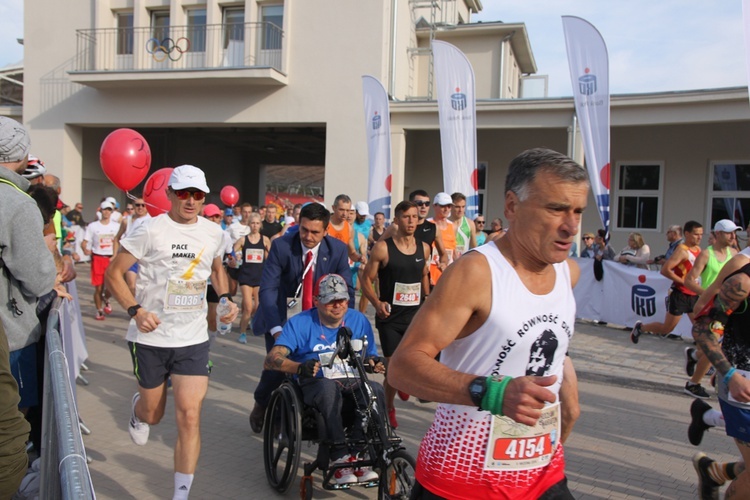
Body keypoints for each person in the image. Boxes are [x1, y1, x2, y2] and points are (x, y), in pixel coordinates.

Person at [389, 148, 584, 499]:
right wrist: (493, 392)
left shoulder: (568, 272)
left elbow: (551, 343)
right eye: (555, 208)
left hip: (545, 478)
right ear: (512, 206)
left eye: (577, 211)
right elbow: (402, 368)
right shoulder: (477, 272)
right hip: (463, 480)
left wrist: (569, 401)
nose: (570, 226)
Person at [105, 165, 239, 500]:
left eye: (198, 194)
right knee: (154, 412)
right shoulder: (148, 229)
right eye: (184, 193)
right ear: (169, 195)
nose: (191, 200)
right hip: (150, 337)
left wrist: (225, 299)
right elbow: (113, 273)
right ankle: (140, 411)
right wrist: (135, 311)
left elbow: (216, 269)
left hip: (192, 339)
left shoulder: (213, 232)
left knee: (190, 416)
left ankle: (180, 495)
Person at [263, 273, 386, 485]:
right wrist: (299, 367)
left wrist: (374, 362)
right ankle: (339, 456)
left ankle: (358, 454)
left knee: (376, 390)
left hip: (351, 379)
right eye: (331, 301)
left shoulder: (358, 321)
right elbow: (271, 360)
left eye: (342, 300)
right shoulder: (300, 323)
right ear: (317, 301)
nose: (337, 306)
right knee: (328, 389)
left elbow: (368, 357)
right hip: (315, 381)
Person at [249, 202, 354, 433]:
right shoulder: (282, 246)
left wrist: (346, 325)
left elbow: (348, 289)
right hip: (282, 318)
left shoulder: (336, 250)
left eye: (315, 232)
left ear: (326, 231)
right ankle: (262, 403)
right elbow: (268, 290)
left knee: (322, 368)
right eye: (304, 229)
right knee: (278, 368)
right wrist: (277, 330)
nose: (308, 236)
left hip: (319, 320)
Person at [361, 200, 430, 428]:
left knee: (410, 364)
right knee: (392, 369)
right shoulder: (384, 248)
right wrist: (377, 302)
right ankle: (388, 407)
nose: (411, 221)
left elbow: (423, 275)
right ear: (397, 220)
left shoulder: (424, 248)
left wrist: (428, 299)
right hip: (390, 318)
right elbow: (366, 280)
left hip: (415, 318)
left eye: (414, 217)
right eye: (406, 217)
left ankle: (403, 382)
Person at [688, 257, 750, 498]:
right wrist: (729, 374)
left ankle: (713, 472)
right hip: (742, 387)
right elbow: (702, 329)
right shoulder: (741, 282)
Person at [683, 219, 739, 399]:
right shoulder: (707, 254)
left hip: (730, 308)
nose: (733, 236)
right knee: (713, 346)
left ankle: (694, 355)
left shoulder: (735, 253)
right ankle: (693, 383)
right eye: (729, 232)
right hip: (712, 309)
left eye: (734, 232)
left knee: (722, 347)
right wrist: (709, 294)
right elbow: (689, 281)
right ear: (718, 234)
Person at [630, 221, 703, 348]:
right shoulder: (682, 250)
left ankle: (701, 357)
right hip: (680, 294)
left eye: (701, 234)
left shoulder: (698, 249)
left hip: (694, 295)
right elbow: (666, 270)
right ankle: (641, 328)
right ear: (687, 234)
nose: (700, 237)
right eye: (696, 234)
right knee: (666, 329)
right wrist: (684, 282)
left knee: (701, 330)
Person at [234, 212, 270, 343]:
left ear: (260, 225)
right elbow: (232, 251)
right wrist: (235, 256)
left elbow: (271, 258)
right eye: (252, 223)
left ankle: (254, 323)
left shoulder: (265, 240)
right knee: (248, 307)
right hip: (246, 277)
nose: (255, 226)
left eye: (257, 223)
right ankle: (242, 333)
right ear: (249, 224)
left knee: (258, 306)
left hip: (259, 277)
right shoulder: (243, 240)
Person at [82, 200, 121, 320]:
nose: (107, 212)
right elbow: (84, 242)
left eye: (109, 210)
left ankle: (106, 298)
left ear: (112, 212)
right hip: (98, 258)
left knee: (112, 287)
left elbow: (121, 240)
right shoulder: (93, 226)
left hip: (111, 258)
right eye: (105, 209)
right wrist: (85, 249)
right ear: (101, 211)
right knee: (98, 287)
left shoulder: (116, 226)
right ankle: (99, 310)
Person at [114, 197, 151, 296]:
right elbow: (117, 238)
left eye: (143, 205)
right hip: (131, 257)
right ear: (133, 206)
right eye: (138, 205)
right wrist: (114, 255)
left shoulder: (152, 220)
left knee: (146, 287)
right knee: (132, 286)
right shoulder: (126, 221)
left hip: (145, 258)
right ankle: (135, 308)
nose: (140, 207)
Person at [428, 192, 456, 285]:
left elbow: (454, 252)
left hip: (446, 275)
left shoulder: (453, 226)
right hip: (430, 275)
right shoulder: (427, 224)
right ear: (434, 206)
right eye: (443, 206)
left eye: (449, 206)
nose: (446, 209)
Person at [449, 192, 477, 260]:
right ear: (451, 206)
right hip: (447, 263)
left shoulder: (470, 223)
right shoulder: (446, 223)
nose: (460, 210)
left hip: (462, 262)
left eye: (463, 206)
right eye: (457, 207)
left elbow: (474, 247)